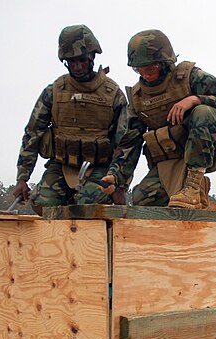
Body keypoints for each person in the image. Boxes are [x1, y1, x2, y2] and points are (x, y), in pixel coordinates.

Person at [103, 29, 216, 209]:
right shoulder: (138, 97)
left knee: (203, 112)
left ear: (164, 62)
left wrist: (196, 99)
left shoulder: (190, 77)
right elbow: (130, 142)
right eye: (139, 70)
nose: (145, 75)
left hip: (211, 151)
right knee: (143, 200)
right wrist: (116, 175)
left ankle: (193, 187)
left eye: (150, 69)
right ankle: (192, 191)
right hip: (172, 158)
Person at [13, 25, 130, 214]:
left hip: (99, 169)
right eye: (71, 61)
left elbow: (126, 143)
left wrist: (119, 185)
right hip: (62, 165)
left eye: (82, 60)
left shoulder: (113, 94)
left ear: (92, 56)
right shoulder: (54, 92)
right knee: (42, 203)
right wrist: (22, 178)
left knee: (87, 208)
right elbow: (33, 134)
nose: (77, 66)